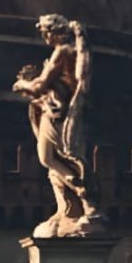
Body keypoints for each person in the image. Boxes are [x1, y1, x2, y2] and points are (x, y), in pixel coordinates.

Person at [13, 15, 102, 237]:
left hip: (55, 113)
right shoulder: (74, 52)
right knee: (56, 159)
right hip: (59, 112)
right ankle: (73, 206)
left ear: (56, 32)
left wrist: (22, 84)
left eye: (46, 33)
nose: (45, 38)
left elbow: (40, 85)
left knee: (57, 158)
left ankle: (85, 197)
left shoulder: (62, 52)